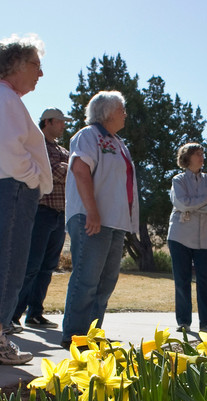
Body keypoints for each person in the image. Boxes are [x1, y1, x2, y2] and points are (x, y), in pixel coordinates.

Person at [0, 34, 52, 365]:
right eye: (36, 65)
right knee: (7, 262)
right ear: (15, 64)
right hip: (10, 188)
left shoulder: (0, 98)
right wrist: (33, 179)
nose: (39, 73)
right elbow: (9, 149)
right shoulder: (6, 99)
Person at [61, 90, 139, 350]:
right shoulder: (88, 135)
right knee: (87, 278)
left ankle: (92, 336)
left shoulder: (118, 142)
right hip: (92, 218)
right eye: (122, 109)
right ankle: (74, 336)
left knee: (106, 282)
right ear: (106, 112)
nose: (125, 114)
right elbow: (80, 170)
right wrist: (92, 210)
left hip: (115, 222)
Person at [10, 107, 71, 330]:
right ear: (47, 122)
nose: (63, 125)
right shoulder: (37, 145)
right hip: (41, 212)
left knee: (47, 267)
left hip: (60, 214)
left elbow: (63, 171)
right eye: (60, 121)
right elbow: (51, 173)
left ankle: (35, 313)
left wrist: (67, 167)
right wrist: (70, 167)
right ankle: (13, 314)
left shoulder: (63, 150)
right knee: (31, 265)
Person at [167, 142, 207, 334]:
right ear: (187, 157)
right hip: (180, 236)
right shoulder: (179, 180)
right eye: (197, 154)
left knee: (205, 280)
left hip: (206, 237)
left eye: (202, 153)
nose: (202, 157)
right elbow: (182, 203)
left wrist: (197, 204)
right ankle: (183, 322)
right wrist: (205, 200)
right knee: (182, 280)